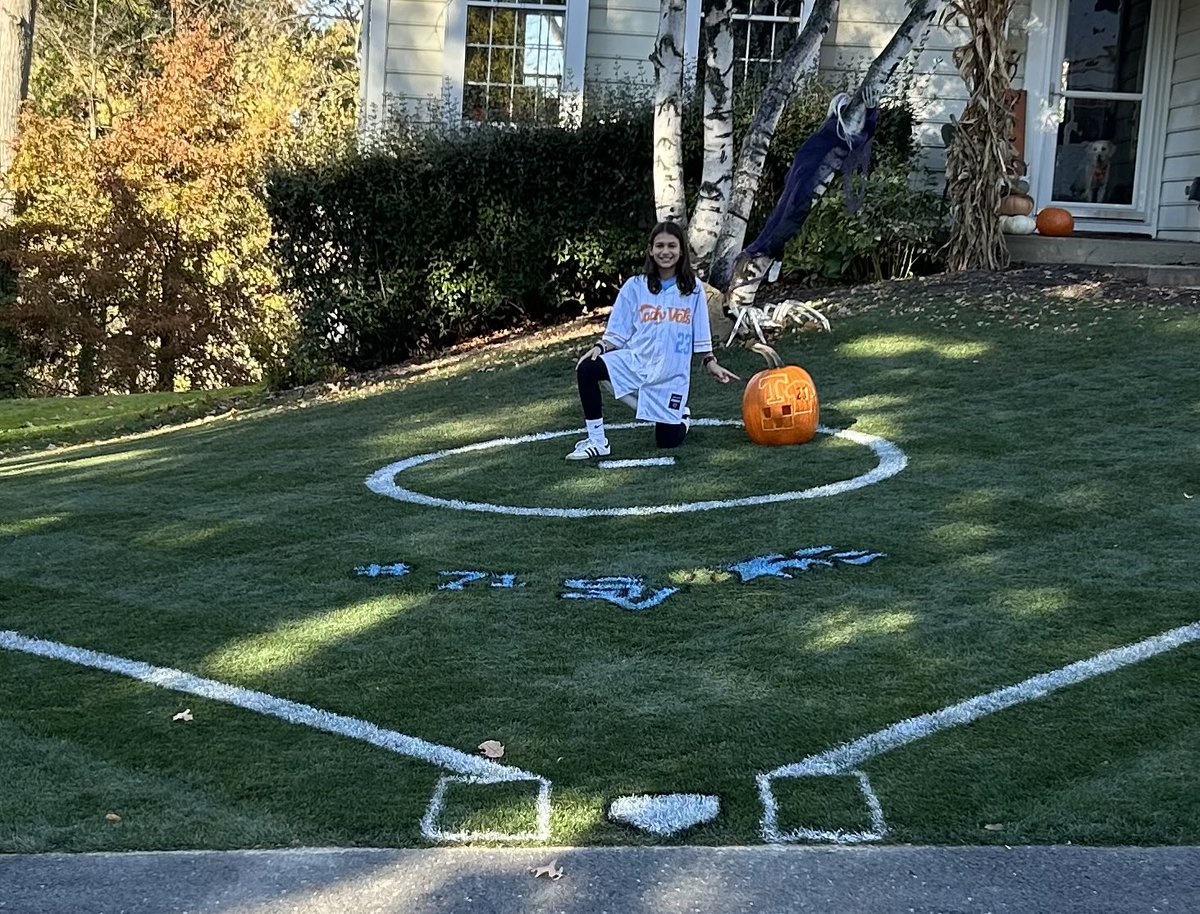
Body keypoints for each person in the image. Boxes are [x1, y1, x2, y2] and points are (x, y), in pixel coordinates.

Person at [567, 222, 740, 460]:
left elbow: (700, 331)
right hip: (637, 361)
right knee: (588, 369)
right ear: (650, 250)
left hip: (671, 374)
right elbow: (618, 330)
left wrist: (710, 361)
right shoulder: (635, 286)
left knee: (667, 442)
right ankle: (597, 441)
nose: (665, 252)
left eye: (671, 246)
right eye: (659, 246)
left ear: (681, 251)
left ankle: (682, 416)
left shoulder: (693, 289)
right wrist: (600, 347)